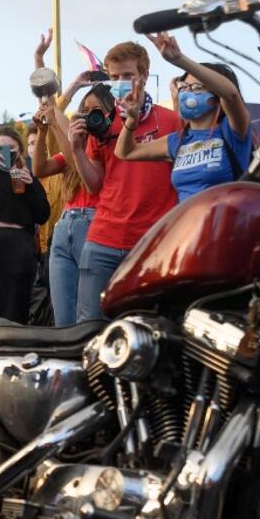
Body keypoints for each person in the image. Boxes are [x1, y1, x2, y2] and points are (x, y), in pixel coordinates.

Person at [68, 41, 181, 322]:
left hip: (151, 243)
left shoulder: (171, 120)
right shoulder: (102, 124)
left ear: (143, 75)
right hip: (102, 241)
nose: (120, 82)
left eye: (127, 75)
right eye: (114, 76)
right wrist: (77, 150)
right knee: (90, 330)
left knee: (148, 329)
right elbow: (94, 185)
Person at [114, 34, 252, 202]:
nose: (188, 93)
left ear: (216, 97)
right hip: (190, 225)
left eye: (197, 87)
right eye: (184, 87)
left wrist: (179, 60)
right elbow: (125, 152)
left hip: (226, 223)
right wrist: (131, 120)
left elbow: (231, 94)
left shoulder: (232, 131)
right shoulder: (177, 141)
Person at [32, 87, 107, 326]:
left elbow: (78, 164)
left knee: (88, 318)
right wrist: (43, 132)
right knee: (63, 319)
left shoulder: (107, 146)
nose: (87, 116)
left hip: (93, 225)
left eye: (96, 111)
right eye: (83, 111)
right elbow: (40, 169)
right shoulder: (73, 147)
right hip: (64, 226)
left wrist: (55, 123)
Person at [0, 126, 49, 322]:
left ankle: (12, 349)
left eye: (11, 148)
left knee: (14, 307)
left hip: (17, 249)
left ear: (20, 151)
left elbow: (42, 215)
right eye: (0, 148)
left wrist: (30, 184)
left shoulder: (25, 176)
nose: (6, 153)